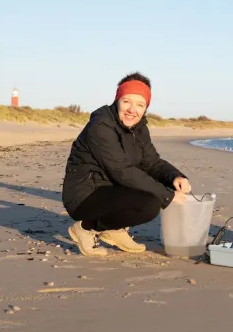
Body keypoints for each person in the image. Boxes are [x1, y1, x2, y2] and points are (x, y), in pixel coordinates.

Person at [62, 72, 192, 257]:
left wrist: (176, 177)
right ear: (117, 100)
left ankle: (114, 229)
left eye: (140, 104)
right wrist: (168, 195)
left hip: (112, 190)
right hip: (84, 195)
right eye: (127, 101)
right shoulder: (100, 126)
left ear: (146, 107)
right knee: (150, 202)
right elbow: (121, 171)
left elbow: (152, 162)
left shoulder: (139, 128)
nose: (132, 109)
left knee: (159, 190)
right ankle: (86, 228)